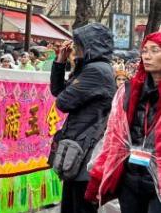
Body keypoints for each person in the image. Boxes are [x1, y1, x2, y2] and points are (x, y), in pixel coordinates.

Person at [86, 32, 161, 211]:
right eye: (144, 51)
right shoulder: (128, 91)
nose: (147, 56)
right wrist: (98, 177)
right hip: (130, 176)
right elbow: (113, 137)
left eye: (155, 50)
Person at [49, 23, 116, 213]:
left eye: (78, 44)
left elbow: (62, 102)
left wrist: (77, 65)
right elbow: (58, 91)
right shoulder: (92, 68)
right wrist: (60, 62)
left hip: (87, 150)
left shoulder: (96, 70)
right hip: (80, 148)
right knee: (71, 205)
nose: (74, 48)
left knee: (80, 206)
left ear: (90, 46)